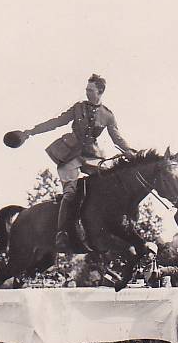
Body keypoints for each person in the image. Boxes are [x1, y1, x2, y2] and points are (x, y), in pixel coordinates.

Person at [19, 74, 136, 252]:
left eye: (90, 90)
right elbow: (56, 122)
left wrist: (130, 152)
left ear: (100, 92)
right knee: (70, 193)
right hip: (69, 155)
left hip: (92, 157)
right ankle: (62, 233)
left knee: (109, 184)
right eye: (86, 89)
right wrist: (30, 132)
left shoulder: (107, 115)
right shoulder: (78, 107)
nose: (87, 93)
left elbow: (117, 138)